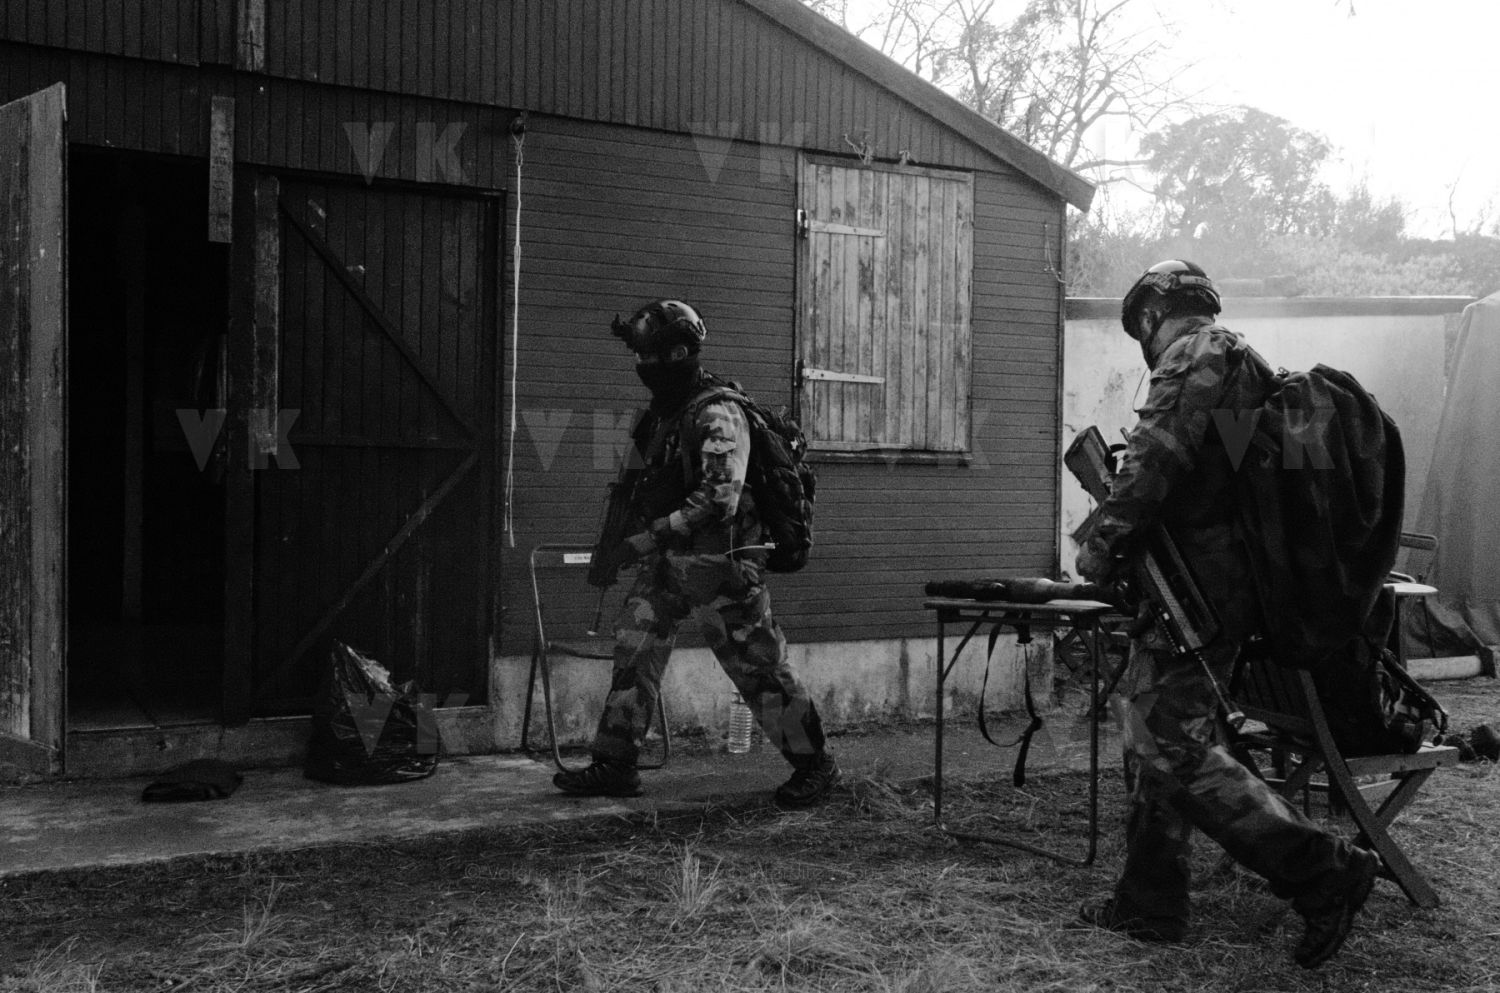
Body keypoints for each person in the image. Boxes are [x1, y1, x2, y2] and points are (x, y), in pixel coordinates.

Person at [1073, 261, 1381, 969]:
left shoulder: (1198, 352)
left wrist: (1103, 542)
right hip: (1216, 586)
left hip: (1198, 591)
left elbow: (1156, 458)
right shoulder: (1246, 364)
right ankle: (1149, 900)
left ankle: (1324, 869)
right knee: (1154, 734)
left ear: (1152, 315)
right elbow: (1233, 480)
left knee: (1169, 745)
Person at [553, 299, 840, 808]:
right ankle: (615, 763)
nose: (643, 366)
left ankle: (815, 765)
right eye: (639, 357)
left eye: (651, 356)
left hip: (720, 564)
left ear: (679, 354)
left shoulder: (717, 413)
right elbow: (641, 489)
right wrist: (622, 540)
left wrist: (641, 541)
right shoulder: (661, 417)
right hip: (669, 561)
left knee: (757, 669)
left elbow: (719, 500)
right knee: (634, 649)